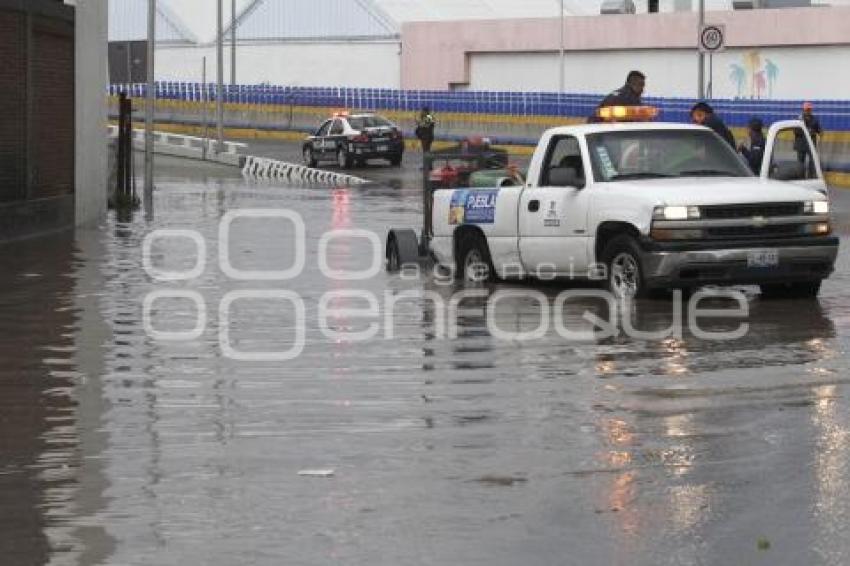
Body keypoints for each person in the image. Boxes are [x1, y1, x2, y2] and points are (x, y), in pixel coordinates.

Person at [795, 102, 823, 177]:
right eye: (806, 109)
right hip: (801, 145)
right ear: (803, 110)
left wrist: (820, 134)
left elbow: (819, 130)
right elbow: (795, 131)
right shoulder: (799, 119)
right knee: (800, 163)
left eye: (809, 109)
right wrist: (807, 131)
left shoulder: (815, 119)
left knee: (812, 162)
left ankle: (810, 177)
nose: (808, 111)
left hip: (811, 145)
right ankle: (801, 177)